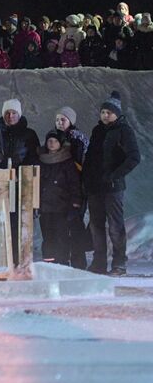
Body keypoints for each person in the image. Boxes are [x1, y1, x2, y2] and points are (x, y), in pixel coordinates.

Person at [84, 91, 140, 276]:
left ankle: (119, 264)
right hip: (95, 187)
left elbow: (134, 157)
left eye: (109, 112)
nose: (105, 115)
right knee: (96, 225)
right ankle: (99, 262)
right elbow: (90, 157)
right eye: (103, 112)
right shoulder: (97, 130)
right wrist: (87, 179)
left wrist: (115, 175)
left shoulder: (124, 130)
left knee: (115, 226)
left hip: (113, 187)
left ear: (117, 113)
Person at [0, 98, 39, 265]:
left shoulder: (29, 134)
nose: (10, 116)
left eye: (13, 113)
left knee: (20, 222)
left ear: (19, 114)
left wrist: (22, 174)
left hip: (20, 186)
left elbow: (33, 157)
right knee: (4, 222)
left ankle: (20, 259)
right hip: (1, 185)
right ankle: (5, 259)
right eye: (7, 113)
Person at [37, 130, 82, 265]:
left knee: (61, 235)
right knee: (47, 236)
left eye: (55, 141)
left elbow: (74, 183)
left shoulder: (67, 162)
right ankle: (49, 263)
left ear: (60, 144)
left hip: (62, 206)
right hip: (45, 207)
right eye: (49, 140)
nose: (52, 143)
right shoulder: (41, 160)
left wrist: (75, 202)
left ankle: (62, 262)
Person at [55, 106, 90, 269]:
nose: (59, 122)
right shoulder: (54, 138)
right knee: (61, 226)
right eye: (57, 119)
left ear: (71, 121)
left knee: (75, 225)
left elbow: (85, 164)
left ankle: (79, 262)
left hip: (77, 189)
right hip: (59, 191)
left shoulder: (79, 138)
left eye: (63, 119)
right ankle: (62, 260)